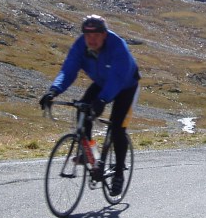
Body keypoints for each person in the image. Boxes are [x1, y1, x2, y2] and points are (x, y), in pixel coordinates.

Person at [39, 14, 140, 195]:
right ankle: (90, 153)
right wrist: (53, 91)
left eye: (95, 35)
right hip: (102, 84)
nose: (91, 40)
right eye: (87, 35)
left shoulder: (117, 47)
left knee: (118, 128)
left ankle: (118, 174)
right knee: (82, 111)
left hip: (126, 86)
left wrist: (102, 100)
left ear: (105, 34)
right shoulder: (80, 46)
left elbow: (117, 78)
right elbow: (68, 70)